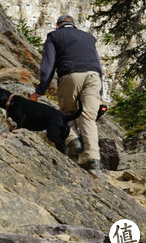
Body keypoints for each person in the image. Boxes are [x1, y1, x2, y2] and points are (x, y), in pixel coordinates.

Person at [30, 13, 103, 170]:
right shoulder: (88, 37)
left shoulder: (54, 36)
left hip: (70, 74)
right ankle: (92, 158)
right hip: (94, 77)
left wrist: (40, 90)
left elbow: (48, 65)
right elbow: (98, 64)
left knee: (66, 112)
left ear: (58, 25)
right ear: (74, 25)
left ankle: (73, 141)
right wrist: (100, 95)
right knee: (88, 117)